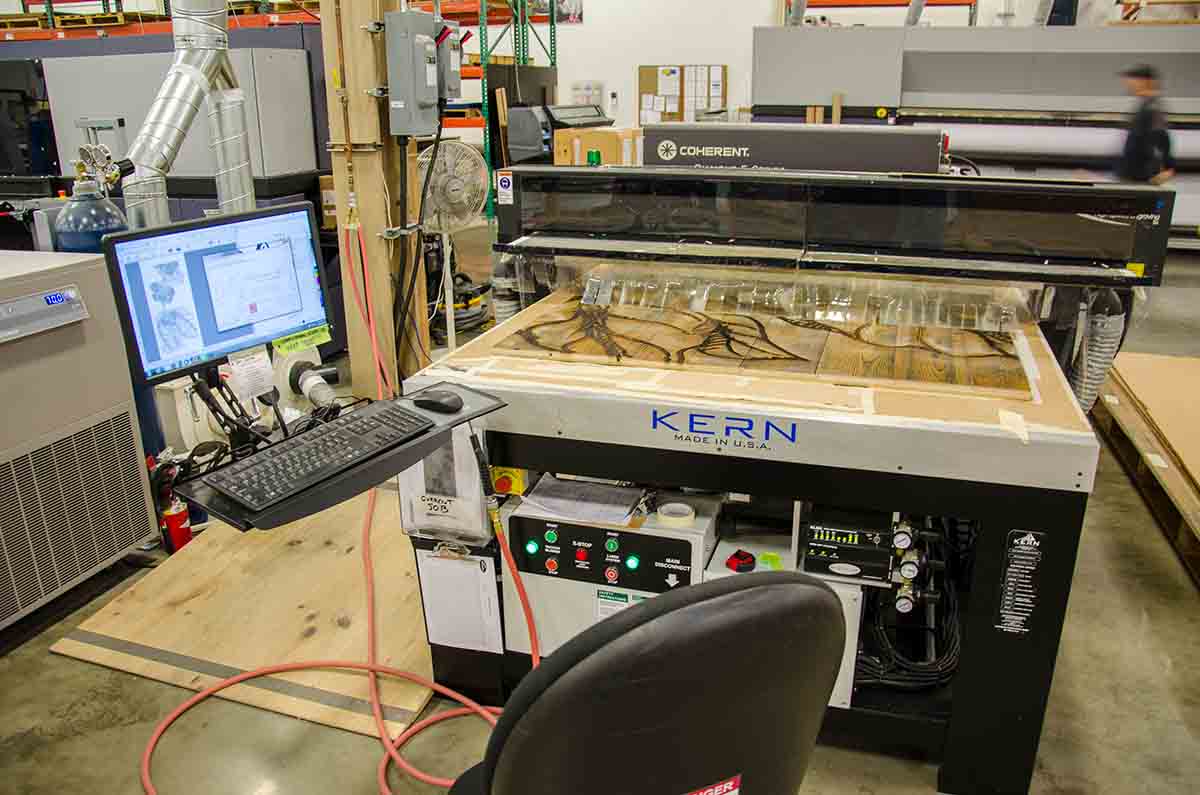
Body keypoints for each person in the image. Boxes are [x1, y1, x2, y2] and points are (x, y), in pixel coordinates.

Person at [1115, 65, 1175, 186]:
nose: (1128, 84)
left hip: (1142, 178)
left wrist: (1169, 167)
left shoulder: (1153, 108)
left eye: (1132, 81)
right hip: (1133, 177)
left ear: (1145, 81)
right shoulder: (1145, 105)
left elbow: (1162, 138)